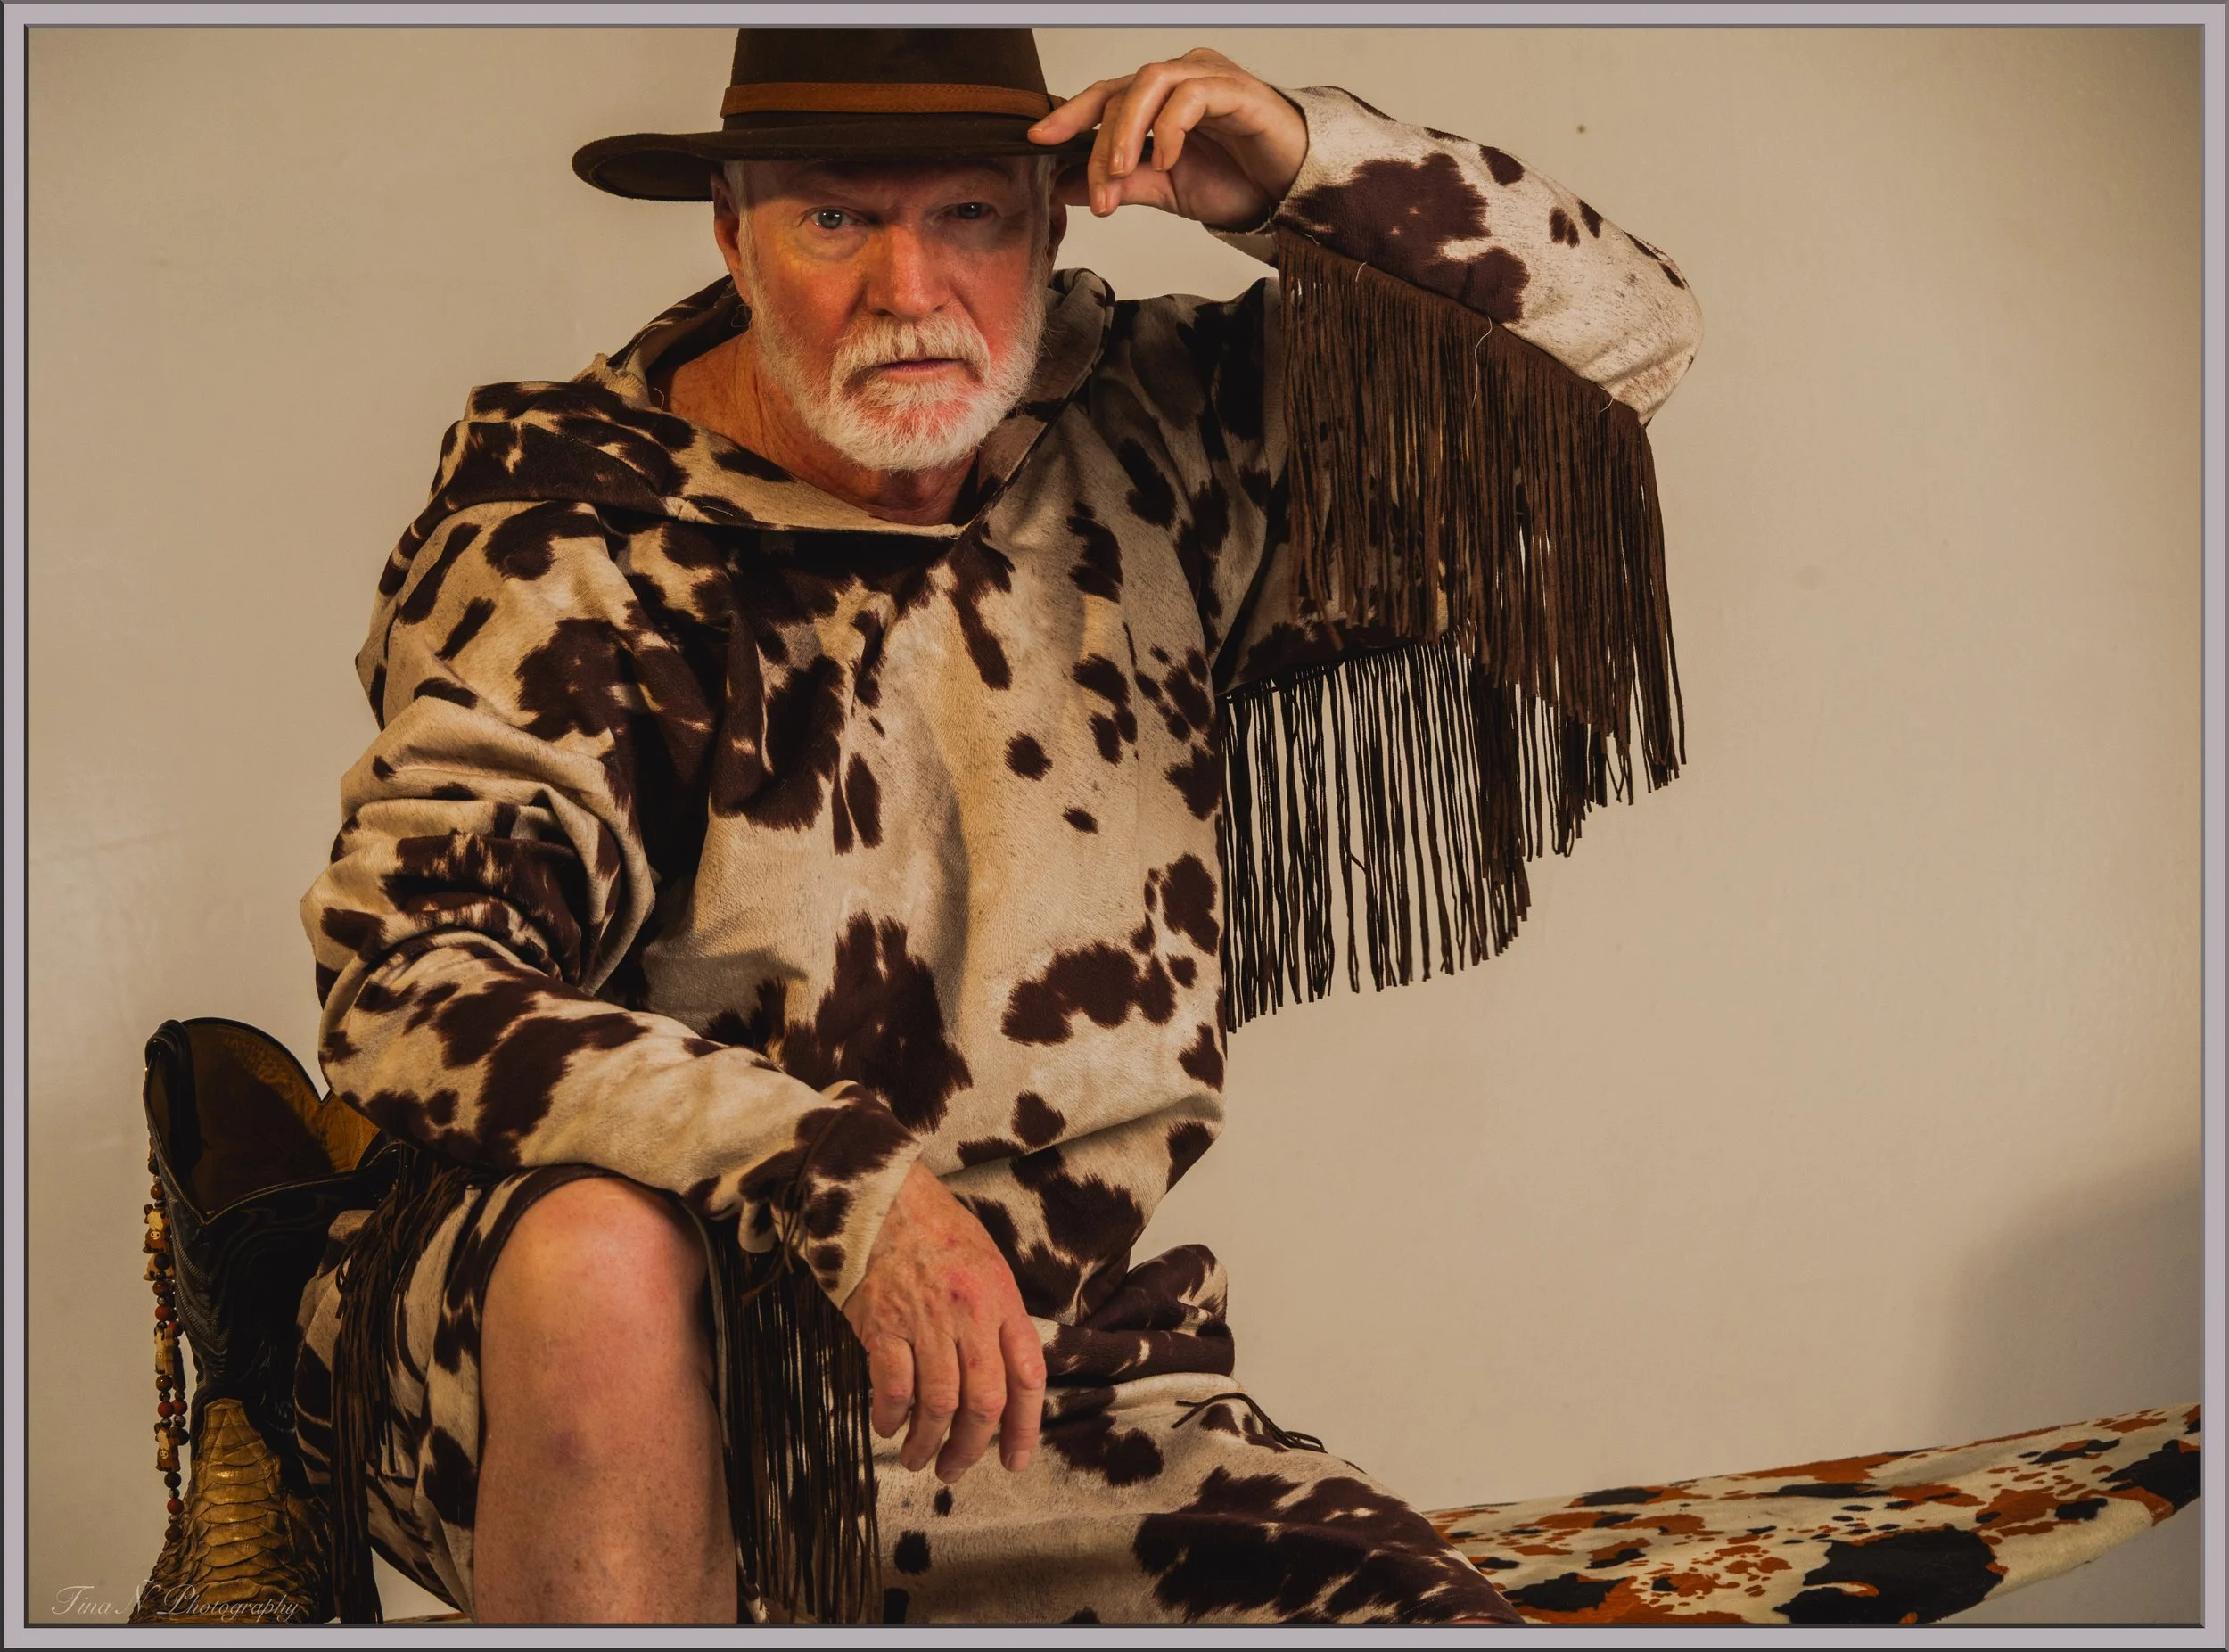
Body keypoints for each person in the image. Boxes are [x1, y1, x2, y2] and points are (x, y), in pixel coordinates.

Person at [291, 26, 1701, 1626]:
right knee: (599, 1258)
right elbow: (408, 977)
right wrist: (839, 1177)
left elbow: (1628, 350)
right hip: (607, 1362)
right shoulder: (573, 540)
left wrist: (1305, 170)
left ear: (1050, 219)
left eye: (968, 214)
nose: (909, 289)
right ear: (733, 237)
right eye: (835, 219)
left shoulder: (1153, 423)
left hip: (1038, 1379)